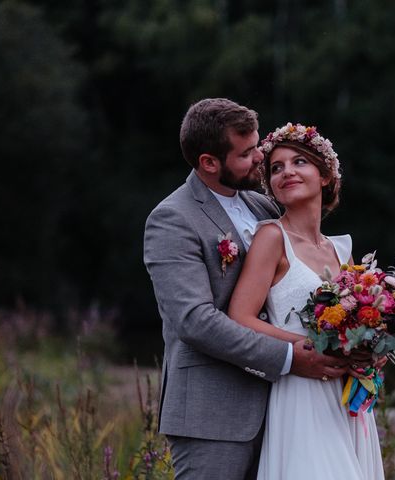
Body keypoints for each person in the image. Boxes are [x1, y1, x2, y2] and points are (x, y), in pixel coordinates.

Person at [143, 99, 346, 479]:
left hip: (285, 411)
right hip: (213, 414)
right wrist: (289, 356)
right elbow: (195, 321)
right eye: (247, 152)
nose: (259, 157)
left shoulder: (261, 206)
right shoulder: (172, 219)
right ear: (209, 162)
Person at [228, 123, 385, 479]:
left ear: (326, 174)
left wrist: (372, 347)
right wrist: (308, 346)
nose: (287, 172)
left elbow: (354, 323)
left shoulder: (339, 248)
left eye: (299, 161)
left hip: (344, 397)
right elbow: (240, 317)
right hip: (300, 392)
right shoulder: (271, 237)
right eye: (277, 168)